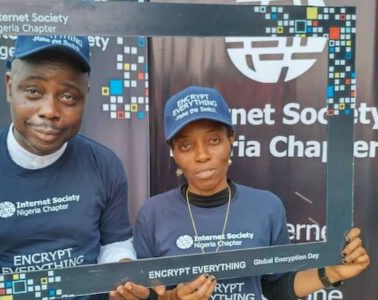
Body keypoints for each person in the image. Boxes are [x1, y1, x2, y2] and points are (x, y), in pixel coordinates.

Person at [0, 35, 146, 299]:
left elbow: (115, 243)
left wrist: (123, 274)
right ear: (10, 87)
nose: (49, 110)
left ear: (85, 98)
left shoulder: (105, 165)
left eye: (68, 96)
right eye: (33, 91)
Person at [133, 86, 370, 299]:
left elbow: (276, 286)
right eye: (186, 146)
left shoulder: (266, 206)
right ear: (173, 152)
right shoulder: (153, 213)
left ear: (231, 140)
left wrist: (330, 273)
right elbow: (146, 294)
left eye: (214, 140)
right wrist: (173, 298)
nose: (202, 155)